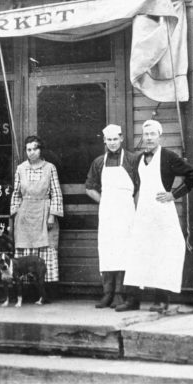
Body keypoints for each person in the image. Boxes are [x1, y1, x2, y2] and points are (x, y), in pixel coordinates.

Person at [118, 119, 193, 312]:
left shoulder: (168, 157)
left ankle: (162, 300)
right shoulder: (139, 159)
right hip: (143, 213)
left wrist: (174, 194)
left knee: (163, 254)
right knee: (138, 253)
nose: (148, 138)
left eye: (152, 134)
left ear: (159, 136)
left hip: (162, 213)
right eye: (145, 134)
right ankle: (133, 300)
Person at [85, 124, 139, 309]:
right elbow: (89, 187)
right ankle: (107, 293)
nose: (113, 143)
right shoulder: (99, 162)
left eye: (116, 139)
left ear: (122, 138)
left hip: (127, 212)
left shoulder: (132, 159)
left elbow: (139, 187)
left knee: (125, 251)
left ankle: (120, 294)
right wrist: (105, 201)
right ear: (104, 141)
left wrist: (134, 207)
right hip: (108, 212)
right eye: (109, 140)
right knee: (108, 251)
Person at [10, 136, 63, 298]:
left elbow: (56, 192)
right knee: (26, 251)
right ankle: (26, 292)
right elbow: (16, 193)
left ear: (41, 150)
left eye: (35, 149)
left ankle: (44, 293)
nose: (31, 152)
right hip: (25, 214)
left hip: (44, 214)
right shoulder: (20, 168)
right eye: (28, 149)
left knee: (45, 251)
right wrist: (15, 214)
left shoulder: (50, 168)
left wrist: (52, 216)